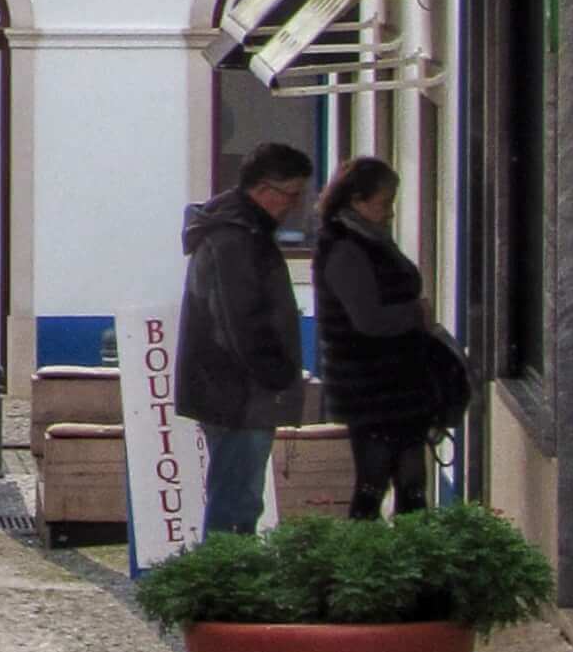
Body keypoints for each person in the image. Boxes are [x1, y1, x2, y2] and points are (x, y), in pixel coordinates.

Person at [174, 142, 313, 537]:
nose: (295, 205)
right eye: (292, 194)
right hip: (239, 395)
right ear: (265, 190)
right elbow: (241, 323)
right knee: (236, 502)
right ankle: (226, 573)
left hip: (233, 391)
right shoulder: (235, 238)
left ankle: (228, 568)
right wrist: (278, 374)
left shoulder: (238, 231)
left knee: (238, 497)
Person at [312, 155, 443, 518]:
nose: (390, 212)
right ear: (357, 201)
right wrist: (416, 313)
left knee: (409, 481)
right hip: (372, 388)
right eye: (384, 203)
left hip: (395, 385)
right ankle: (369, 549)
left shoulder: (368, 240)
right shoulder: (346, 248)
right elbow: (367, 319)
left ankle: (407, 548)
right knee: (375, 481)